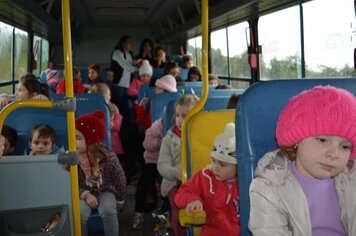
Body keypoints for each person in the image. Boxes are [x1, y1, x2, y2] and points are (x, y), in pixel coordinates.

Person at [249, 86, 356, 236]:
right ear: (297, 141)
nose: (334, 154)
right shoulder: (270, 187)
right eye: (323, 140)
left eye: (345, 146)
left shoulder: (352, 181)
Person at [175, 123, 240, 235]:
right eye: (213, 161)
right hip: (213, 230)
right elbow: (182, 193)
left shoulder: (247, 182)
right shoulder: (205, 177)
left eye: (222, 164)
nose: (216, 168)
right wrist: (193, 199)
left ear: (238, 165)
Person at [75, 110, 126, 236]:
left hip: (106, 190)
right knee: (79, 213)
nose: (73, 141)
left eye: (78, 138)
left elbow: (120, 178)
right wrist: (85, 194)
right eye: (72, 136)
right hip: (83, 192)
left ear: (90, 140)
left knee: (108, 210)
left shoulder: (108, 157)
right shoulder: (71, 158)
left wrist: (120, 199)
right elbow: (69, 184)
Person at [157, 94, 199, 236]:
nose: (180, 120)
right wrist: (176, 173)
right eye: (178, 116)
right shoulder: (168, 139)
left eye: (185, 115)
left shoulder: (200, 136)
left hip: (198, 181)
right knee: (177, 213)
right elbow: (162, 165)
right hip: (175, 182)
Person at [131, 118, 163, 229]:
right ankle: (138, 212)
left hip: (171, 162)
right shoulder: (155, 128)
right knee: (144, 183)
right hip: (153, 161)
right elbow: (146, 144)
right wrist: (160, 143)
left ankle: (164, 213)